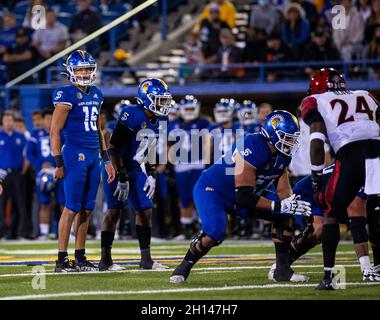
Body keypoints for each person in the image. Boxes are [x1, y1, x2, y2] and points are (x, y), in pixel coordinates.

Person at [170, 110, 312, 284]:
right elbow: (244, 196)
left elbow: (283, 189)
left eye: (293, 138)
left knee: (285, 213)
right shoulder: (251, 145)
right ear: (272, 134)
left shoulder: (282, 155)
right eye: (287, 137)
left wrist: (292, 205)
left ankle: (282, 270)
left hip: (247, 192)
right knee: (215, 233)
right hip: (214, 190)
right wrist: (280, 206)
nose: (291, 142)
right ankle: (185, 265)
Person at [299, 68, 380, 290]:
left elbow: (316, 138)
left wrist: (316, 174)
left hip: (350, 153)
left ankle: (329, 278)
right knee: (374, 209)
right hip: (377, 150)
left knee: (331, 214)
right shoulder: (365, 94)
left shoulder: (314, 100)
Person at [50, 50, 114, 272]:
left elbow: (97, 128)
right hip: (74, 154)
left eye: (87, 68)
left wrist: (106, 159)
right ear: (70, 71)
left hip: (93, 155)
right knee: (71, 207)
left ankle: (80, 257)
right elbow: (55, 131)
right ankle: (61, 260)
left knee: (87, 208)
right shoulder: (64, 94)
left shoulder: (96, 93)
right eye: (80, 69)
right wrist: (59, 162)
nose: (84, 73)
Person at [99, 78, 172, 271]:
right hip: (116, 167)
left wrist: (151, 172)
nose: (163, 104)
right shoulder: (130, 114)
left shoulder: (162, 119)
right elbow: (114, 147)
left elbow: (150, 147)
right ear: (145, 99)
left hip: (137, 167)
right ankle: (105, 260)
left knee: (145, 210)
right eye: (159, 99)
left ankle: (146, 260)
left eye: (165, 100)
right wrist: (121, 175)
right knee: (114, 211)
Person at [268, 164, 380, 282]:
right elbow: (356, 219)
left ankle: (377, 266)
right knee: (320, 229)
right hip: (312, 193)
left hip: (337, 196)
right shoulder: (364, 174)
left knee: (376, 215)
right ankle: (281, 266)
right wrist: (365, 265)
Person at [168, 96, 211, 240]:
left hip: (198, 163)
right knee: (184, 198)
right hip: (181, 165)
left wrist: (206, 162)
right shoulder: (173, 125)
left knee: (201, 196)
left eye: (191, 108)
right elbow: (167, 144)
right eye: (186, 108)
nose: (189, 111)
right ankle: (186, 229)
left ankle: (203, 227)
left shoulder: (204, 123)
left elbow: (208, 143)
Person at [26, 109, 65, 239]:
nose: (49, 121)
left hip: (59, 170)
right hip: (43, 173)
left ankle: (67, 232)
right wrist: (39, 164)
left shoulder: (61, 132)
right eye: (47, 119)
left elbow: (68, 150)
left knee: (63, 202)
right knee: (44, 203)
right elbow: (29, 154)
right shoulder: (35, 134)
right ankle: (44, 233)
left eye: (51, 118)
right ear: (42, 120)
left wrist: (61, 164)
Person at [0, 111, 29, 239]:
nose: (8, 122)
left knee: (20, 203)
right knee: (1, 203)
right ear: (2, 122)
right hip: (1, 174)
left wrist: (23, 170)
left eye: (10, 120)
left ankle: (19, 232)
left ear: (13, 121)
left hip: (17, 173)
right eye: (5, 120)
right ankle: (2, 232)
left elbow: (27, 154)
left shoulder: (21, 136)